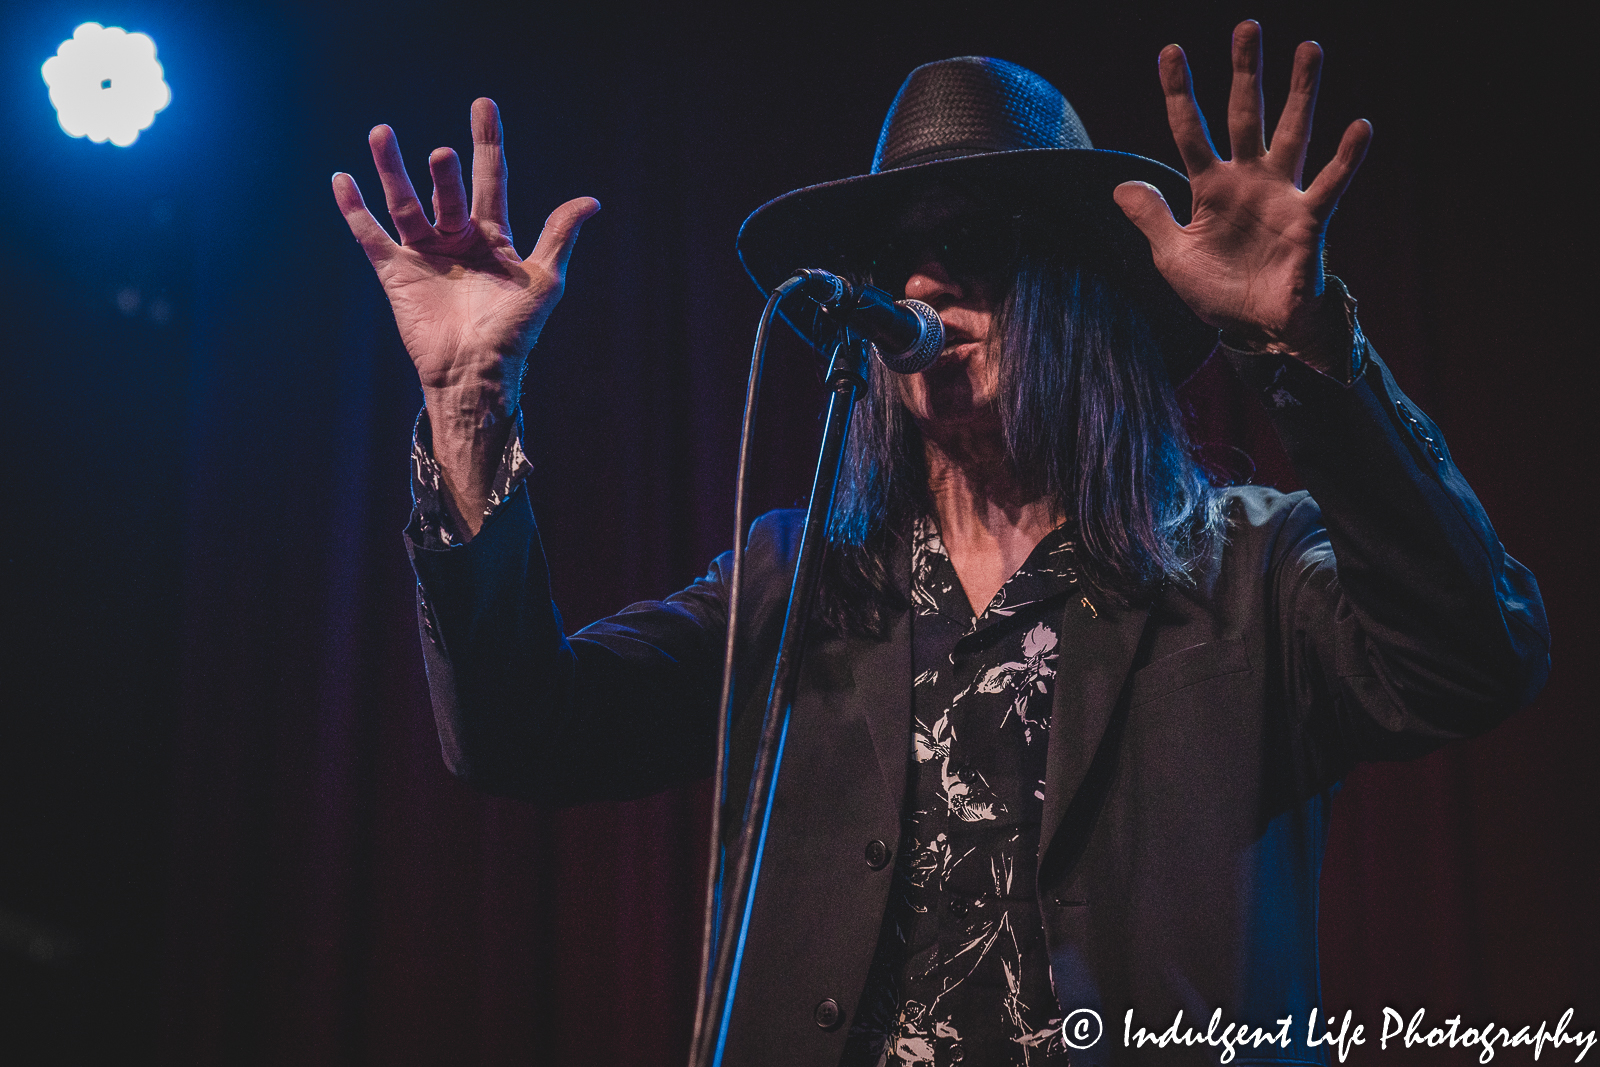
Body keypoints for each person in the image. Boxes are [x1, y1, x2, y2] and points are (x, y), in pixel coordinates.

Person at [332, 22, 1548, 1067]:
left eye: (968, 243)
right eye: (895, 255)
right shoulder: (800, 580)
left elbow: (1471, 656)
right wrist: (468, 402)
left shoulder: (1244, 568)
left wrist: (1304, 358)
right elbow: (517, 729)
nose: (920, 278)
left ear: (1077, 293)